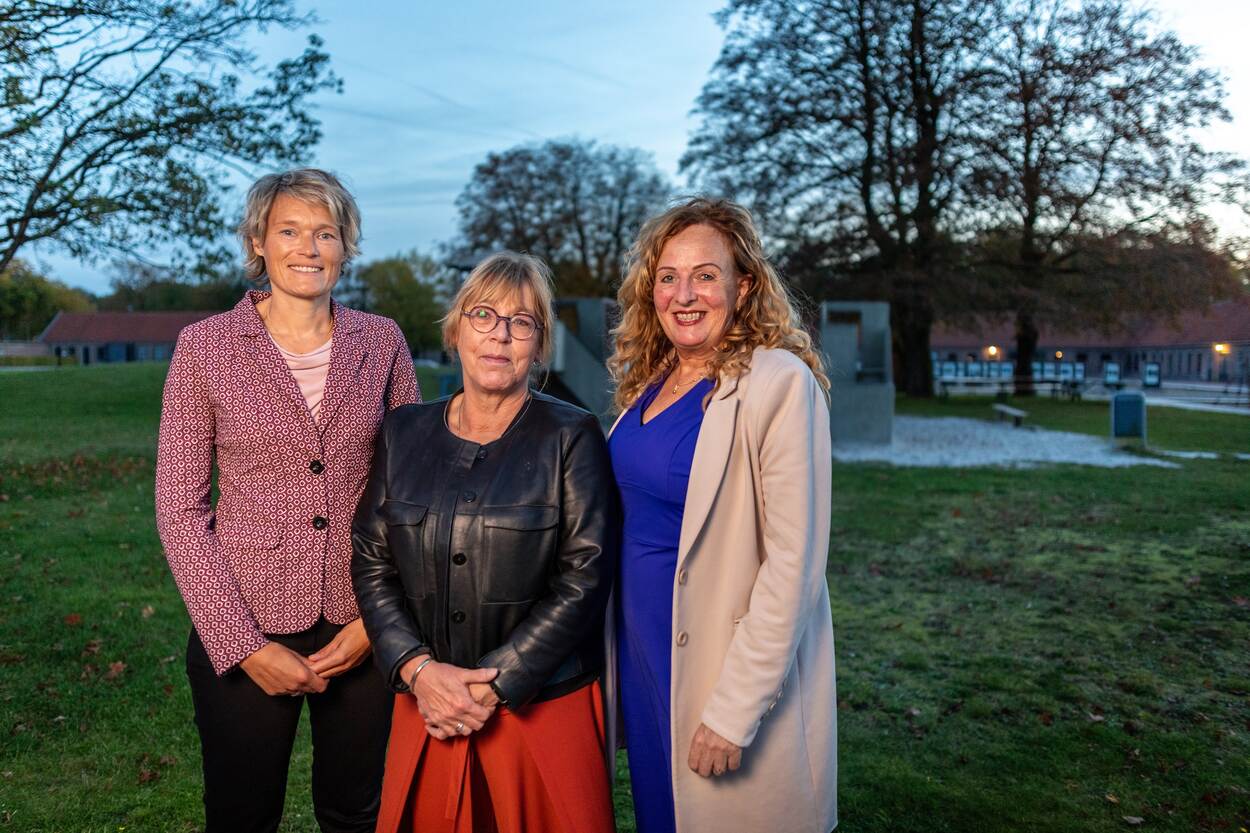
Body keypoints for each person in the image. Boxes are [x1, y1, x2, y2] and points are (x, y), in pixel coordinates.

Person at [155, 168, 419, 833]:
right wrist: (242, 645)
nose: (309, 247)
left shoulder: (382, 341)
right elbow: (180, 507)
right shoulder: (203, 347)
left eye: (325, 232)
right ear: (258, 243)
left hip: (361, 619)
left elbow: (413, 490)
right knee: (243, 815)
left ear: (345, 245)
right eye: (291, 230)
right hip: (246, 619)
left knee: (358, 812)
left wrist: (377, 623)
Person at [351, 251, 620, 833]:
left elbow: (586, 574)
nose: (500, 335)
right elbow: (372, 564)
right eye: (484, 315)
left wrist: (496, 683)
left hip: (541, 706)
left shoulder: (571, 436)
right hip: (427, 705)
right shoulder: (402, 432)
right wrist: (419, 672)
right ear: (455, 329)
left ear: (539, 344)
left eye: (521, 322)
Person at [606, 197, 837, 833]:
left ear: (744, 285)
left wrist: (735, 710)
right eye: (668, 277)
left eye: (705, 275)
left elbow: (794, 565)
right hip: (648, 654)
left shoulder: (778, 382)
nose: (685, 294)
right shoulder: (651, 382)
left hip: (718, 664)